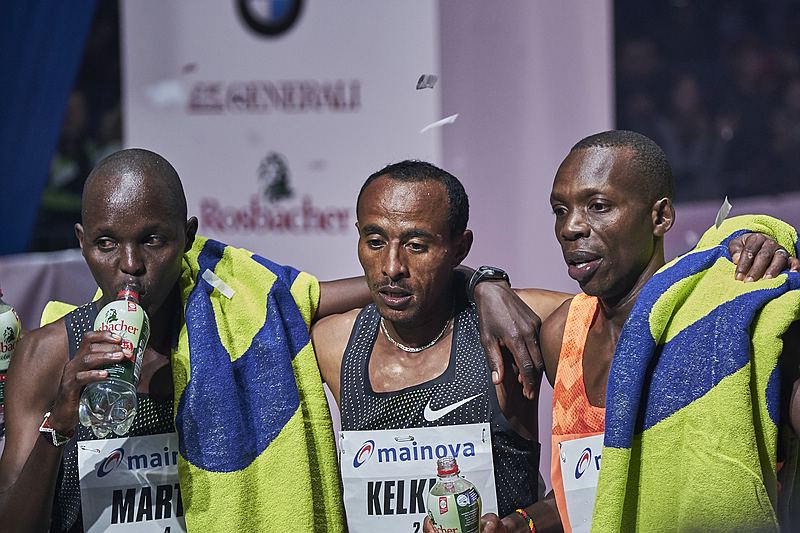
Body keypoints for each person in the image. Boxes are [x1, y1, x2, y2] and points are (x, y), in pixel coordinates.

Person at [0, 149, 543, 533]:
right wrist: (59, 427)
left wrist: (481, 280)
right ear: (80, 243)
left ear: (188, 236)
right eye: (104, 244)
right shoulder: (49, 355)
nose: (130, 266)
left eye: (154, 241)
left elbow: (391, 286)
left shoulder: (247, 317)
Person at [475, 130, 800, 533]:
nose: (570, 227)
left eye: (598, 206)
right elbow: (593, 492)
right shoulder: (563, 334)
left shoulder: (719, 323)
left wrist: (767, 236)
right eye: (560, 209)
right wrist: (520, 525)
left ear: (660, 217)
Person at [312, 161, 571, 528]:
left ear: (460, 246)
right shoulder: (333, 343)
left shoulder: (516, 322)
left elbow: (595, 474)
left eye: (417, 245)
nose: (391, 266)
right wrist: (479, 279)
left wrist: (523, 525)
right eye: (374, 242)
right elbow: (266, 303)